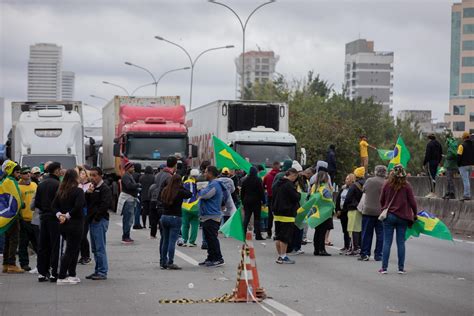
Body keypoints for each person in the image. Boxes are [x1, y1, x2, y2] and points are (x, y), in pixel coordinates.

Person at [379, 164, 417, 274]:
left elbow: (381, 199)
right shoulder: (407, 186)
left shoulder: (387, 184)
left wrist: (384, 208)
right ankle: (401, 268)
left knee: (387, 242)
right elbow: (412, 202)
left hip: (389, 215)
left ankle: (384, 268)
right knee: (401, 243)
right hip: (403, 217)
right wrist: (415, 214)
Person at [52, 169, 86, 285]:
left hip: (63, 225)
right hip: (75, 224)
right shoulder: (78, 191)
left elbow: (54, 206)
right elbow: (79, 206)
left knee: (74, 249)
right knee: (71, 250)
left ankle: (72, 274)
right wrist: (67, 215)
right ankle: (62, 276)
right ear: (75, 178)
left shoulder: (61, 191)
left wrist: (59, 215)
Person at [35, 162, 62, 282]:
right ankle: (53, 272)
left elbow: (37, 203)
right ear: (56, 171)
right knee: (54, 245)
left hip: (43, 217)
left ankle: (41, 272)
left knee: (42, 245)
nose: (61, 171)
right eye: (60, 170)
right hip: (54, 218)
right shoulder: (58, 184)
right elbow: (61, 202)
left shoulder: (41, 184)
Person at [159, 175, 192, 270]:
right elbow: (189, 194)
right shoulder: (179, 191)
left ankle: (163, 262)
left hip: (164, 217)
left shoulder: (165, 190)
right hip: (175, 217)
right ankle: (170, 262)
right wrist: (181, 186)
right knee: (172, 242)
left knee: (165, 240)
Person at [85, 167, 112, 280]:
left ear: (101, 175)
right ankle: (97, 270)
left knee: (100, 247)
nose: (92, 177)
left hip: (99, 220)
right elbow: (87, 203)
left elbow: (105, 205)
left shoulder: (104, 188)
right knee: (95, 248)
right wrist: (88, 193)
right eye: (91, 175)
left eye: (95, 175)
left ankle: (102, 271)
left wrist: (96, 217)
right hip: (92, 220)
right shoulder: (92, 188)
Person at [151, 157, 177, 265]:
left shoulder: (158, 175)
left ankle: (162, 259)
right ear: (175, 165)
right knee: (167, 237)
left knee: (163, 236)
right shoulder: (170, 177)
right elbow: (171, 193)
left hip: (157, 205)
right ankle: (166, 260)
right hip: (166, 208)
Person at [272, 168, 300, 264]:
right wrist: (299, 194)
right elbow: (295, 197)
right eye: (295, 176)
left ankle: (280, 256)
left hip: (277, 213)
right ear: (292, 175)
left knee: (278, 236)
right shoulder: (289, 185)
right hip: (287, 214)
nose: (295, 179)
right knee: (285, 237)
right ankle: (284, 256)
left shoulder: (277, 183)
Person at [198, 166, 225, 267]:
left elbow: (205, 195)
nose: (204, 174)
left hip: (212, 215)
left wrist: (200, 191)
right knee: (209, 239)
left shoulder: (214, 185)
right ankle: (210, 257)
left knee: (212, 238)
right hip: (207, 215)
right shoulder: (211, 184)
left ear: (210, 173)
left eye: (205, 172)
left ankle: (218, 258)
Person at [359, 165, 387, 261]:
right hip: (381, 212)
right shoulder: (386, 183)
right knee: (380, 234)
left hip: (368, 210)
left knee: (366, 233)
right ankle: (378, 254)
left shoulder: (369, 181)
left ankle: (365, 253)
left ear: (375, 171)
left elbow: (364, 190)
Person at [1, 161, 24, 273]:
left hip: (6, 215)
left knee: (7, 240)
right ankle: (11, 264)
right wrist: (22, 204)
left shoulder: (4, 181)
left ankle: (5, 264)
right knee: (14, 240)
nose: (19, 174)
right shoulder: (11, 181)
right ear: (11, 171)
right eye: (17, 172)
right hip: (13, 215)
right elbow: (16, 199)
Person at [18, 166, 38, 271]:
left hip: (35, 219)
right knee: (23, 243)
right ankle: (24, 263)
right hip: (24, 219)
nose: (28, 174)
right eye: (25, 173)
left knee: (37, 242)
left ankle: (41, 262)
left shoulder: (34, 185)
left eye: (29, 172)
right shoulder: (18, 187)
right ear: (21, 175)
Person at [310, 170, 334, 256]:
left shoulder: (314, 187)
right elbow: (329, 201)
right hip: (324, 212)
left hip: (316, 211)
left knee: (317, 231)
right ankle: (321, 249)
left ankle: (316, 249)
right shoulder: (325, 189)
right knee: (322, 232)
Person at [343, 167, 365, 256]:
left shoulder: (354, 185)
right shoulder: (366, 184)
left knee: (352, 229)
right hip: (363, 209)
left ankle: (354, 248)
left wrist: (344, 207)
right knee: (360, 229)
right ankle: (360, 246)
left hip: (353, 208)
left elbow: (348, 198)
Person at [117, 162, 140, 244]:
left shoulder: (129, 175)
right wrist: (137, 185)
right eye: (132, 167)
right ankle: (125, 236)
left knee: (129, 219)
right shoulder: (126, 176)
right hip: (127, 200)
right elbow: (129, 186)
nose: (133, 169)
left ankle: (127, 235)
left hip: (131, 199)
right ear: (127, 168)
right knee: (127, 218)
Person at [241, 166, 266, 240]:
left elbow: (242, 192)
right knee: (257, 218)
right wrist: (264, 201)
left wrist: (242, 201)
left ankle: (243, 233)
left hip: (247, 201)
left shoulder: (245, 180)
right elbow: (261, 192)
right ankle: (258, 235)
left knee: (247, 217)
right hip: (256, 201)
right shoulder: (258, 180)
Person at [335, 173, 356, 253]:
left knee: (349, 230)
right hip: (342, 212)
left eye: (348, 179)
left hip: (348, 211)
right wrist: (337, 209)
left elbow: (350, 201)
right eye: (346, 179)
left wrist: (344, 209)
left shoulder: (353, 189)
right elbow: (338, 199)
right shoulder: (343, 189)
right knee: (344, 230)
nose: (346, 180)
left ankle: (350, 246)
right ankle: (346, 245)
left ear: (351, 180)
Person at [181, 169, 200, 247]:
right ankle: (192, 242)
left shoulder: (184, 182)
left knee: (185, 224)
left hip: (184, 206)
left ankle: (184, 240)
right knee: (195, 224)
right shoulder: (198, 183)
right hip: (195, 206)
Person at [77, 166, 92, 265]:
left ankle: (86, 256)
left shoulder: (90, 185)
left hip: (86, 212)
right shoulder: (78, 185)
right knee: (79, 235)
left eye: (83, 173)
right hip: (78, 212)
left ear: (87, 176)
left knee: (83, 234)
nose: (81, 175)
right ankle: (82, 255)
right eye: (80, 173)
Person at [263, 161, 280, 239]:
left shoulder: (267, 176)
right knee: (278, 215)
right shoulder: (281, 175)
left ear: (272, 166)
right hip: (278, 197)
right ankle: (277, 232)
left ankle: (269, 233)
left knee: (270, 216)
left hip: (270, 197)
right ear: (278, 166)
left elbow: (263, 186)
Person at [423, 133, 443, 197]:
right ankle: (433, 191)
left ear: (429, 138)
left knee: (431, 176)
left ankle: (432, 192)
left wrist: (424, 163)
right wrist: (439, 161)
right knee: (434, 176)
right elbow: (441, 153)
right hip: (436, 162)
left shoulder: (429, 144)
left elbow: (427, 154)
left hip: (431, 162)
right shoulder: (439, 144)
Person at [457, 132, 473, 201]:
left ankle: (466, 195)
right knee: (468, 180)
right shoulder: (473, 145)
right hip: (471, 165)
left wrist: (458, 164)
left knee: (465, 181)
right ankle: (468, 194)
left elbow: (459, 156)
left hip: (463, 166)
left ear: (463, 138)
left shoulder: (461, 146)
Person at [443, 131, 458, 200]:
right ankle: (448, 193)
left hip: (450, 166)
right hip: (454, 166)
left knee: (449, 180)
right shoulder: (455, 148)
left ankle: (451, 193)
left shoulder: (451, 149)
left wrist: (445, 156)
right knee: (449, 180)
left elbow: (449, 157)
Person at [132, 163, 143, 229]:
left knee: (134, 209)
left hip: (132, 193)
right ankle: (136, 223)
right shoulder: (139, 175)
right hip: (138, 193)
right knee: (138, 209)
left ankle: (135, 222)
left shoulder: (132, 175)